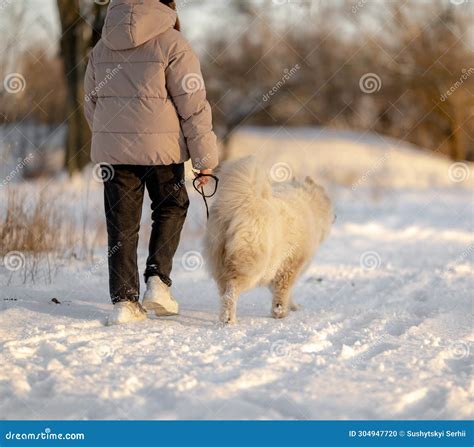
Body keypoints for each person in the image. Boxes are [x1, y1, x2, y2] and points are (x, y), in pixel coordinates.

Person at [84, 0, 218, 325]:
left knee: (121, 225)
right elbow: (193, 105)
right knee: (172, 205)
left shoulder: (102, 47)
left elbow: (91, 101)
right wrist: (204, 160)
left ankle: (125, 302)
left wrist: (112, 136)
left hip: (115, 154)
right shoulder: (173, 43)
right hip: (163, 149)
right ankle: (158, 282)